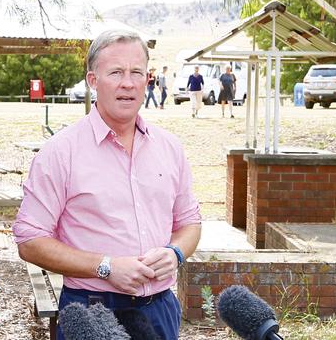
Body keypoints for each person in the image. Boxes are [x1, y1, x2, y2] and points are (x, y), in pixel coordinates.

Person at [13, 29, 202, 340]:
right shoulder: (61, 151)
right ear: (92, 81)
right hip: (90, 312)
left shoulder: (170, 147)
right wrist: (106, 267)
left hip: (160, 311)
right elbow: (29, 240)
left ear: (147, 80)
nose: (127, 82)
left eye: (136, 72)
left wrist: (175, 253)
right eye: (116, 72)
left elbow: (190, 223)